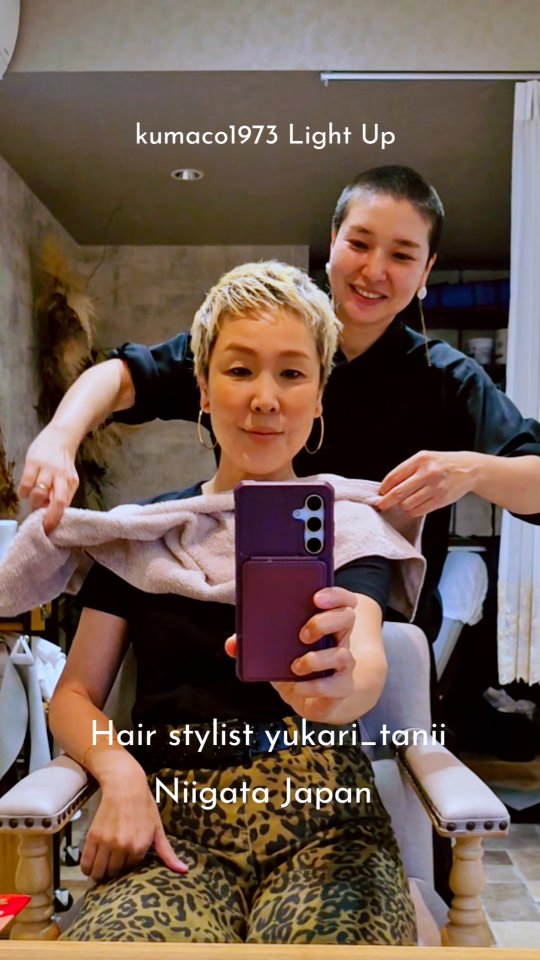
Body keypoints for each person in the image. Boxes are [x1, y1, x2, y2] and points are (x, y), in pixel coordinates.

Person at [47, 261, 421, 944]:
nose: (265, 399)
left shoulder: (348, 527)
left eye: (292, 373)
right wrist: (119, 773)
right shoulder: (147, 534)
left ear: (319, 396)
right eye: (241, 370)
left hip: (326, 821)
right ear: (203, 387)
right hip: (174, 823)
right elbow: (73, 695)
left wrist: (330, 689)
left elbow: (366, 667)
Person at [19, 165, 540, 643]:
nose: (374, 270)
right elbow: (124, 374)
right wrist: (60, 437)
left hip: (379, 630)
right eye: (360, 243)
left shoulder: (448, 380)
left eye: (401, 255)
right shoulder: (265, 336)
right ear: (333, 242)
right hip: (241, 615)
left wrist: (470, 471)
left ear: (427, 271)